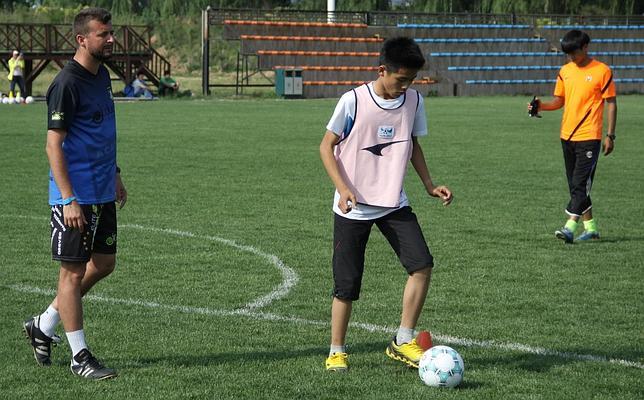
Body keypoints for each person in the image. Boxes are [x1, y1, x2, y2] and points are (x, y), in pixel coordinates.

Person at [319, 37, 453, 372]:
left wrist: (428, 184)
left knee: (422, 265)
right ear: (382, 70)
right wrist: (343, 188)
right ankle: (337, 350)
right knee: (346, 285)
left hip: (393, 202)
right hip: (353, 206)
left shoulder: (414, 100)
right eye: (401, 80)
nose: (406, 86)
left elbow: (412, 144)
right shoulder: (353, 101)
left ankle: (403, 339)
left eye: (411, 81)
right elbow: (326, 147)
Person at [23, 7, 127, 380]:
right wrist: (67, 199)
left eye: (111, 32)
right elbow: (54, 146)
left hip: (102, 190)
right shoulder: (65, 83)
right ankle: (79, 356)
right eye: (104, 34)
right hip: (75, 198)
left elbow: (101, 132)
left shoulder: (101, 77)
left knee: (104, 264)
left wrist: (115, 173)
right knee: (71, 274)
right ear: (82, 40)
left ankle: (44, 323)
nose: (111, 38)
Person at [528, 30, 617, 243]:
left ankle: (569, 227)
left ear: (585, 47)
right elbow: (559, 101)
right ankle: (591, 228)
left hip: (590, 136)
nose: (571, 58)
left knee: (580, 184)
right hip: (567, 136)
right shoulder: (565, 71)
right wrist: (541, 106)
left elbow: (611, 103)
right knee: (576, 186)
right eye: (567, 54)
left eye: (574, 53)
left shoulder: (602, 71)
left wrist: (610, 135)